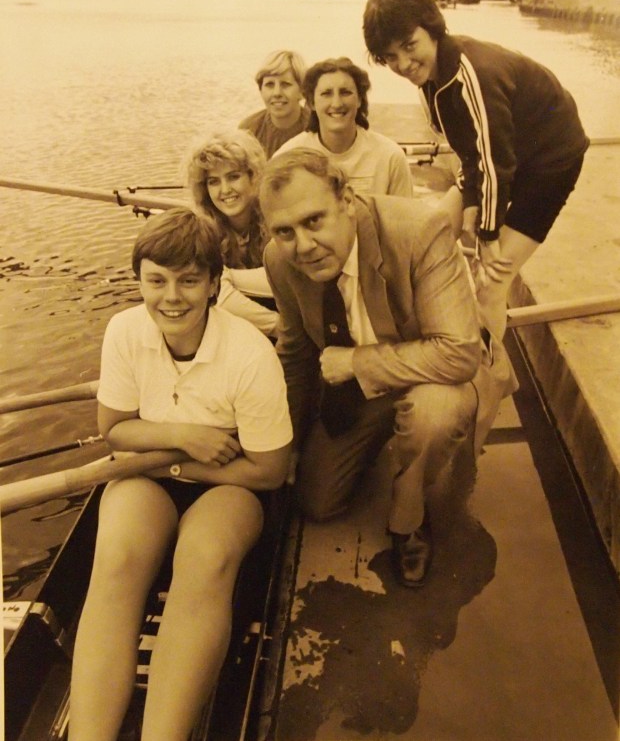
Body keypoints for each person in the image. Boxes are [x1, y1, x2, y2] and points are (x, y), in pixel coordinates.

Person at [69, 208, 292, 741]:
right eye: (157, 281)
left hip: (234, 482)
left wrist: (175, 455)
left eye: (189, 281)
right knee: (117, 560)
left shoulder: (251, 353)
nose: (171, 297)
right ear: (139, 281)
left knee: (203, 559)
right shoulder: (124, 330)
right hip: (157, 471)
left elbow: (270, 470)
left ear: (215, 283)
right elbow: (116, 430)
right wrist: (186, 439)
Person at [258, 148, 513, 590]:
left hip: (442, 373)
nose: (302, 245)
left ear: (347, 200)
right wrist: (289, 443)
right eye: (285, 231)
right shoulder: (280, 262)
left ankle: (409, 521)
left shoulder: (421, 230)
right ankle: (389, 439)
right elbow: (296, 354)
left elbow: (457, 353)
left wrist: (355, 362)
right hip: (366, 383)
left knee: (432, 413)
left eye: (313, 221)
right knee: (316, 501)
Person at [363, 0, 589, 339]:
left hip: (550, 162)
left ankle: (488, 376)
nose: (403, 63)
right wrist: (470, 200)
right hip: (506, 154)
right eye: (391, 57)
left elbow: (496, 165)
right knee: (428, 237)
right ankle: (421, 337)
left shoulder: (473, 75)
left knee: (490, 281)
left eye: (409, 45)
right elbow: (473, 153)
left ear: (432, 28)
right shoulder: (430, 80)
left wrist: (487, 234)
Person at [182, 127, 279, 337]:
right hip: (241, 332)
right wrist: (282, 328)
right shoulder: (203, 229)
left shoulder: (277, 215)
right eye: (213, 181)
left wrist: (231, 277)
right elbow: (221, 297)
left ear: (254, 176)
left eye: (233, 177)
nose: (225, 190)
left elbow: (293, 280)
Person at [275, 56, 413, 198]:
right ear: (312, 103)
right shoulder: (287, 159)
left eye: (345, 92)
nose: (336, 103)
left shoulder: (390, 157)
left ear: (359, 99)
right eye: (326, 94)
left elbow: (405, 218)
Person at [238, 49, 310, 157]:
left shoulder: (317, 129)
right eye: (269, 85)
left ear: (301, 91)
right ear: (261, 90)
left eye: (285, 84)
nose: (277, 93)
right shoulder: (248, 130)